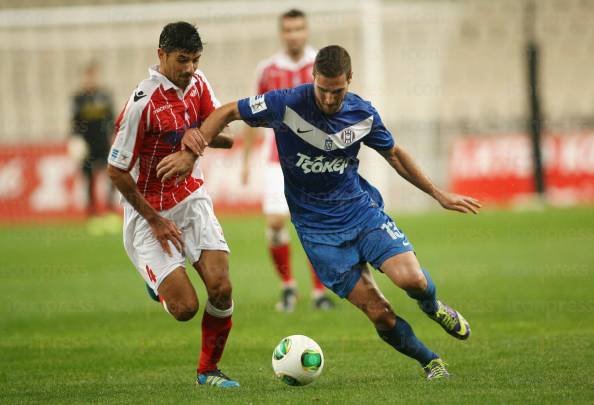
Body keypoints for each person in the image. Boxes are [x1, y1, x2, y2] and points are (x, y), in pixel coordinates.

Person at [158, 45, 482, 380]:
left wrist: (437, 194)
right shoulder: (285, 103)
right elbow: (227, 112)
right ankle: (430, 361)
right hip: (318, 233)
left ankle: (433, 308)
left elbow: (395, 155)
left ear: (350, 81)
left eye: (337, 91)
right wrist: (190, 154)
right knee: (380, 312)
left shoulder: (362, 115)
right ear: (313, 79)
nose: (329, 99)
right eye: (323, 90)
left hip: (360, 212)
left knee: (412, 280)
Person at [106, 22, 239, 388]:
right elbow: (116, 171)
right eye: (183, 60)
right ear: (161, 55)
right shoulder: (142, 104)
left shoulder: (198, 84)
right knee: (185, 309)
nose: (190, 68)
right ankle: (160, 288)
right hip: (148, 212)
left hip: (191, 198)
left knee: (222, 288)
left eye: (195, 60)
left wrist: (198, 140)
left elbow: (221, 136)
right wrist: (155, 221)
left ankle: (208, 371)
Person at [241, 9, 334, 312]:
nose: (294, 34)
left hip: (315, 156)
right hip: (276, 155)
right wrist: (245, 161)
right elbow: (251, 114)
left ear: (306, 31)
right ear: (281, 33)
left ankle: (320, 292)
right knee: (276, 222)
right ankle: (288, 286)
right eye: (289, 29)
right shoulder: (266, 70)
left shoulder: (321, 62)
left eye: (299, 29)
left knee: (315, 223)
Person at [71, 61, 116, 217]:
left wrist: (114, 137)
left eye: (93, 76)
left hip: (103, 143)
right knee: (89, 177)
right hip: (87, 144)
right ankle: (92, 211)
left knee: (112, 174)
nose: (91, 79)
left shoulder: (105, 96)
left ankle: (110, 208)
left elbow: (112, 119)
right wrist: (76, 140)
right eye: (88, 76)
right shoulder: (79, 98)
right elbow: (75, 122)